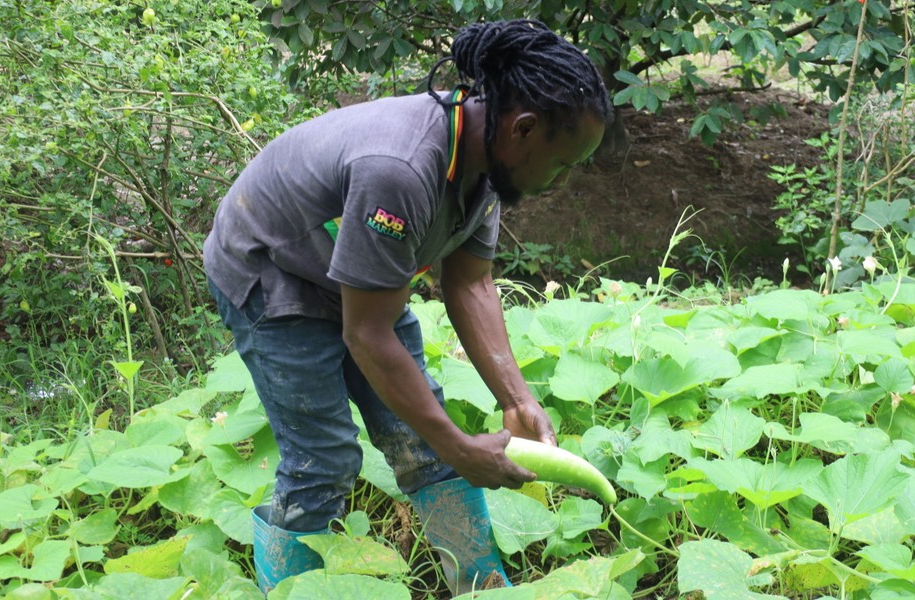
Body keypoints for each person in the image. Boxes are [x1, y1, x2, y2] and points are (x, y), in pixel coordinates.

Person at [202, 19, 612, 594]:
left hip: (363, 279)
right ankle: (288, 589)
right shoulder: (400, 170)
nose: (560, 180)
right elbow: (366, 333)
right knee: (324, 460)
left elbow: (469, 283)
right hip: (274, 271)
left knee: (427, 437)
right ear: (523, 129)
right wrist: (459, 445)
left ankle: (480, 584)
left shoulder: (486, 159)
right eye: (564, 163)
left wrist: (516, 400)